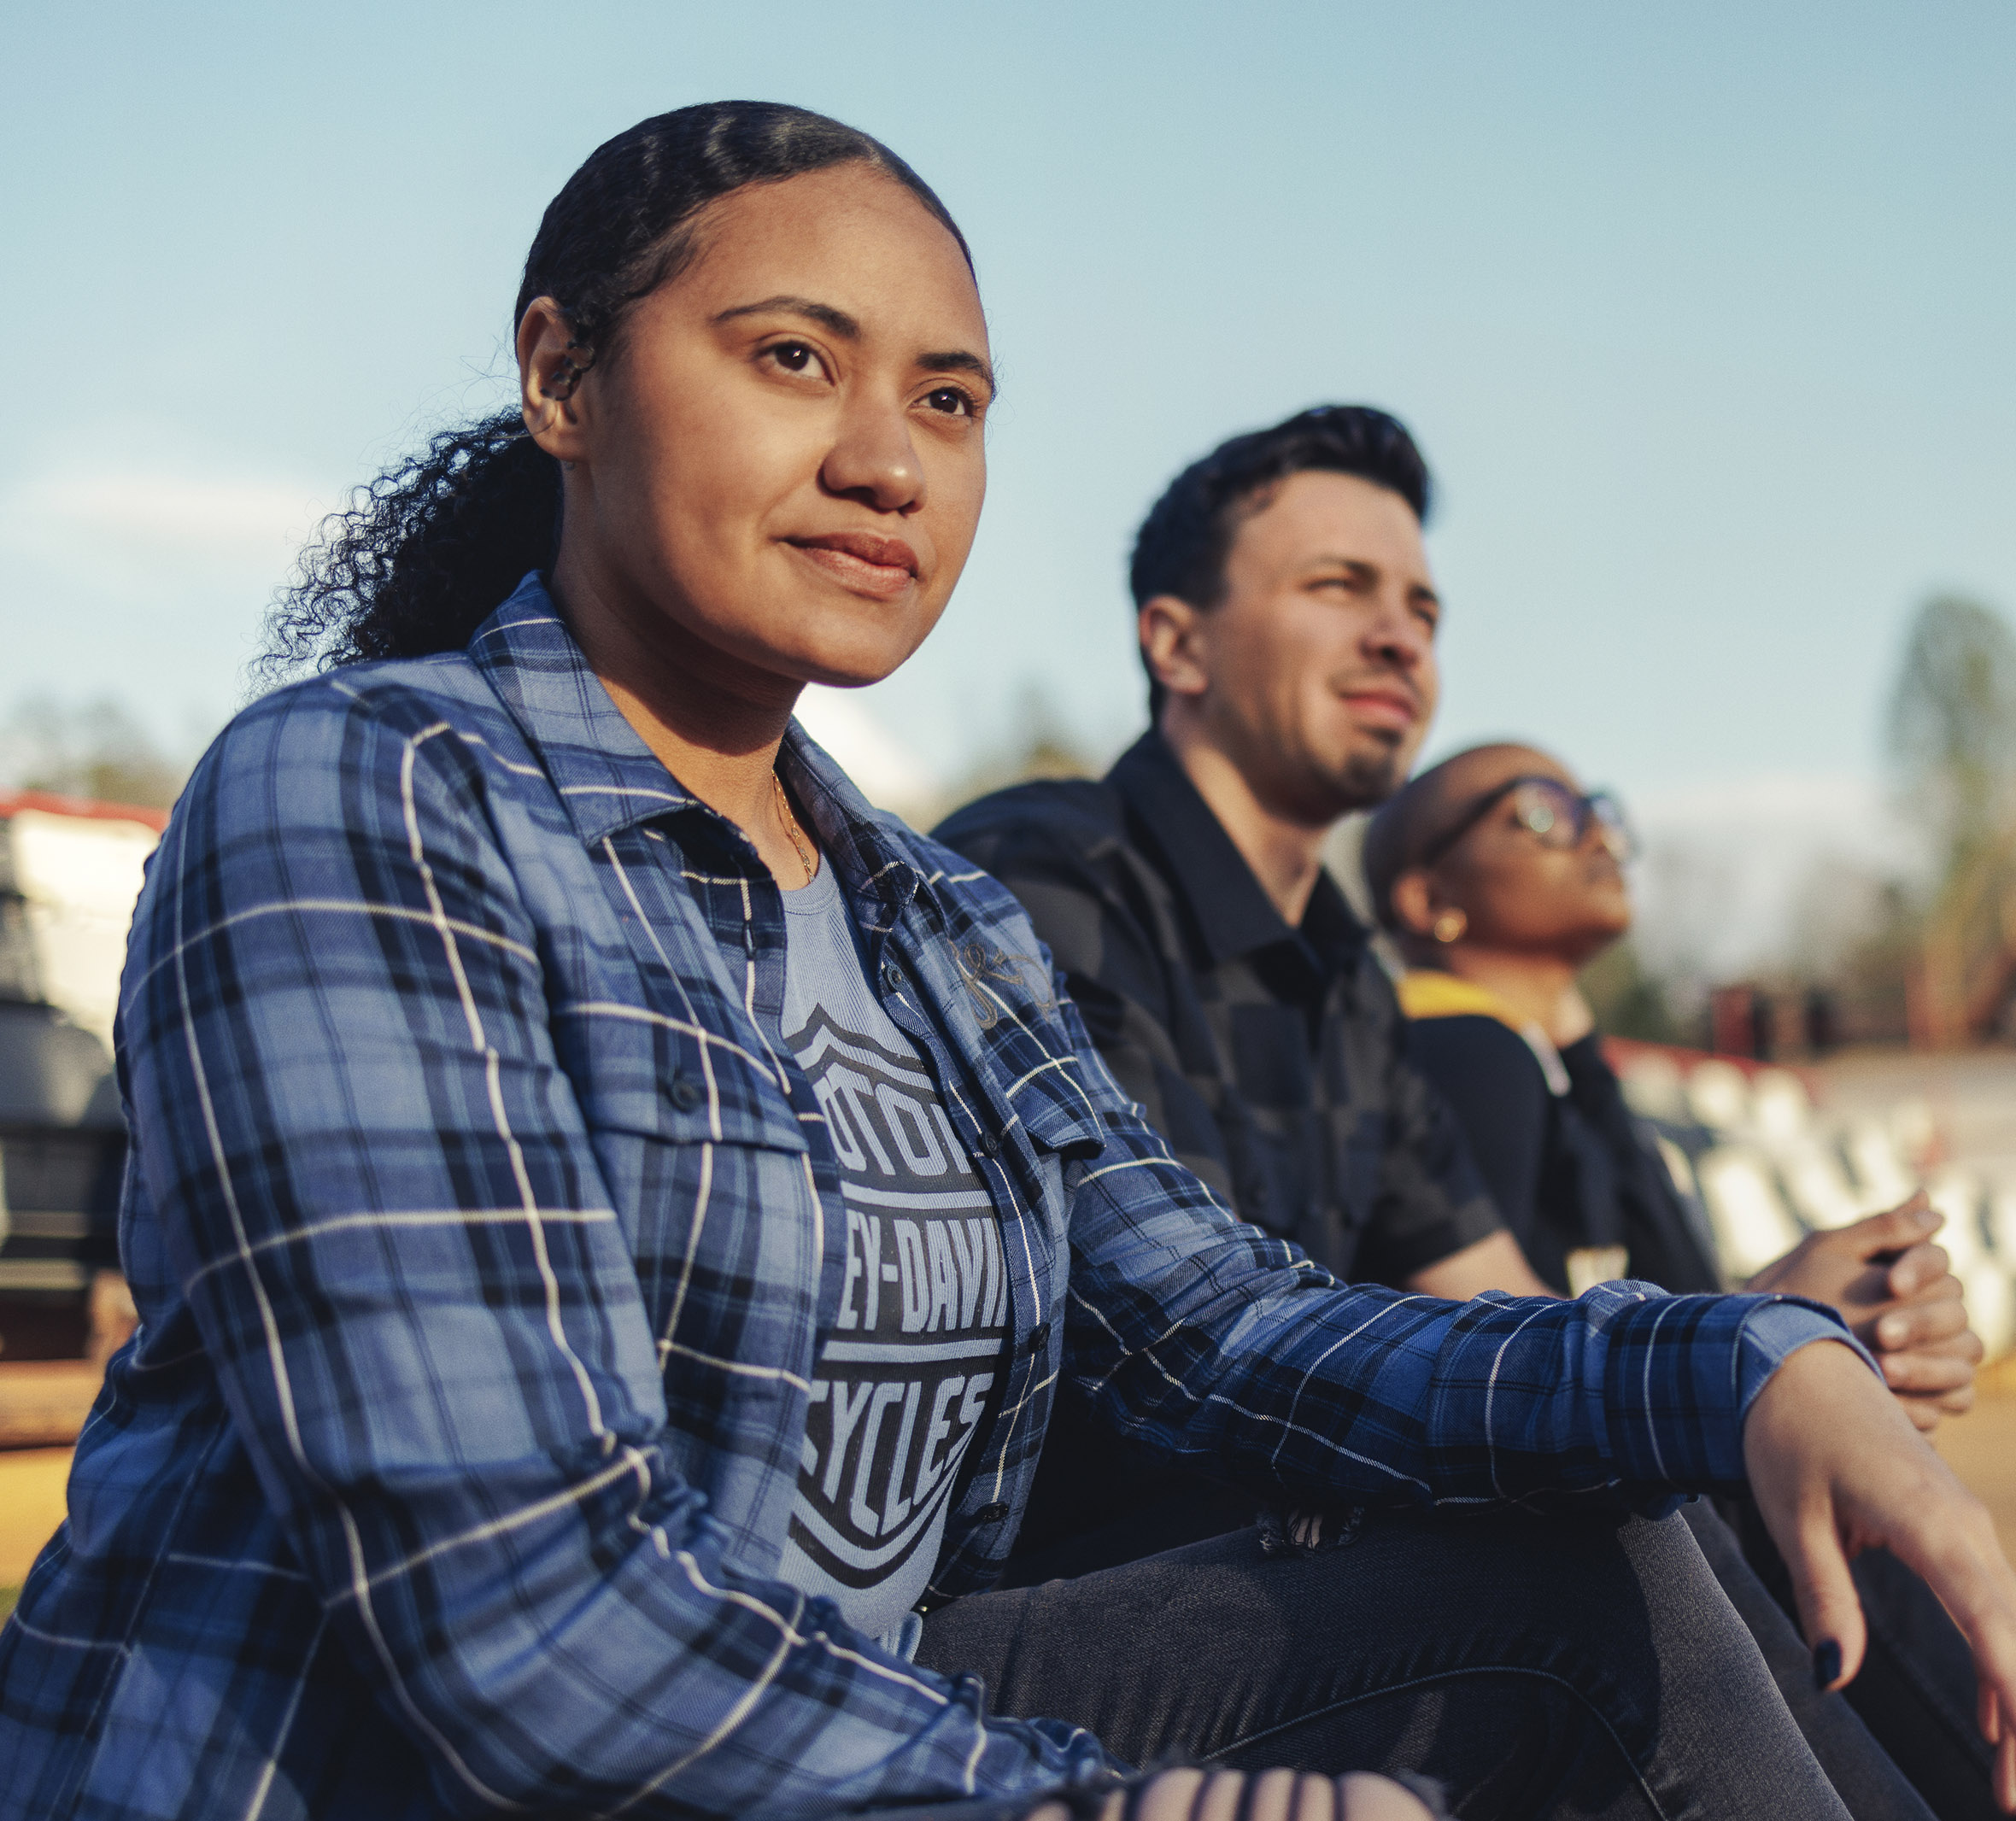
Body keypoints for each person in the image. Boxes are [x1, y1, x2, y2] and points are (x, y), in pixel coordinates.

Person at [1, 111, 2011, 1821]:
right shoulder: (371, 794)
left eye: (948, 401)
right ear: (562, 375)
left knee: (1612, 1558)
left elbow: (1229, 1332)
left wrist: (1740, 1361)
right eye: (794, 357)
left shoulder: (927, 918)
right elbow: (519, 1606)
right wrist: (1094, 1800)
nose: (890, 458)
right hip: (402, 1769)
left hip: (864, 1729)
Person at [935, 407, 2001, 1818]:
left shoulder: (1351, 990)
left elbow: (1495, 1306)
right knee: (1598, 1537)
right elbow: (1194, 1348)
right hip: (1081, 1578)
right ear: (1176, 642)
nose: (1401, 635)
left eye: (1422, 604)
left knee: (1708, 1454)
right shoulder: (1040, 879)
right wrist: (1716, 1359)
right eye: (1339, 587)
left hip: (1278, 1546)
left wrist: (1758, 1327)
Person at [1366, 739, 1995, 1817]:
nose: (1597, 830)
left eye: (1598, 805)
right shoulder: (1464, 1057)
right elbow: (1501, 1357)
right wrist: (1770, 1322)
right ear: (1430, 895)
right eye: (1541, 810)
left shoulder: (1543, 1060)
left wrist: (1822, 1336)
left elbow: (1670, 1293)